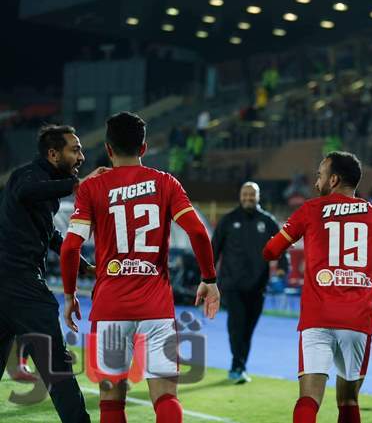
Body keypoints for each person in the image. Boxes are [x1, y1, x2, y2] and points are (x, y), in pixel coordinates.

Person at [60, 112, 220, 423]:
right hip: (156, 309)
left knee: (111, 404)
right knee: (166, 398)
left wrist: (69, 295)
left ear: (108, 149)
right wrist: (209, 279)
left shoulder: (93, 188)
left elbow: (69, 248)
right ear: (144, 148)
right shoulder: (166, 183)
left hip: (110, 309)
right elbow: (199, 233)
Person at [263, 151, 372, 423]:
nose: (316, 181)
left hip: (317, 317)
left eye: (320, 175)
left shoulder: (310, 210)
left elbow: (271, 251)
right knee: (348, 400)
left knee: (308, 399)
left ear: (333, 180)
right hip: (357, 320)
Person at [0, 124, 105, 423]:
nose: (81, 156)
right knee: (56, 367)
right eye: (75, 150)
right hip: (21, 285)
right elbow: (26, 191)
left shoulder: (47, 187)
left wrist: (84, 265)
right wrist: (79, 184)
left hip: (8, 284)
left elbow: (51, 235)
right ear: (53, 154)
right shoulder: (27, 176)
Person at [212, 181, 289, 384]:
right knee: (236, 326)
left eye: (251, 195)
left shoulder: (268, 221)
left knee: (248, 329)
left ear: (258, 196)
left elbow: (282, 247)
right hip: (232, 285)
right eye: (245, 194)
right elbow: (213, 249)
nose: (248, 198)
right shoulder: (228, 220)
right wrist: (207, 278)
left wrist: (282, 271)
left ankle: (239, 366)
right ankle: (237, 366)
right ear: (240, 196)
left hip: (258, 285)